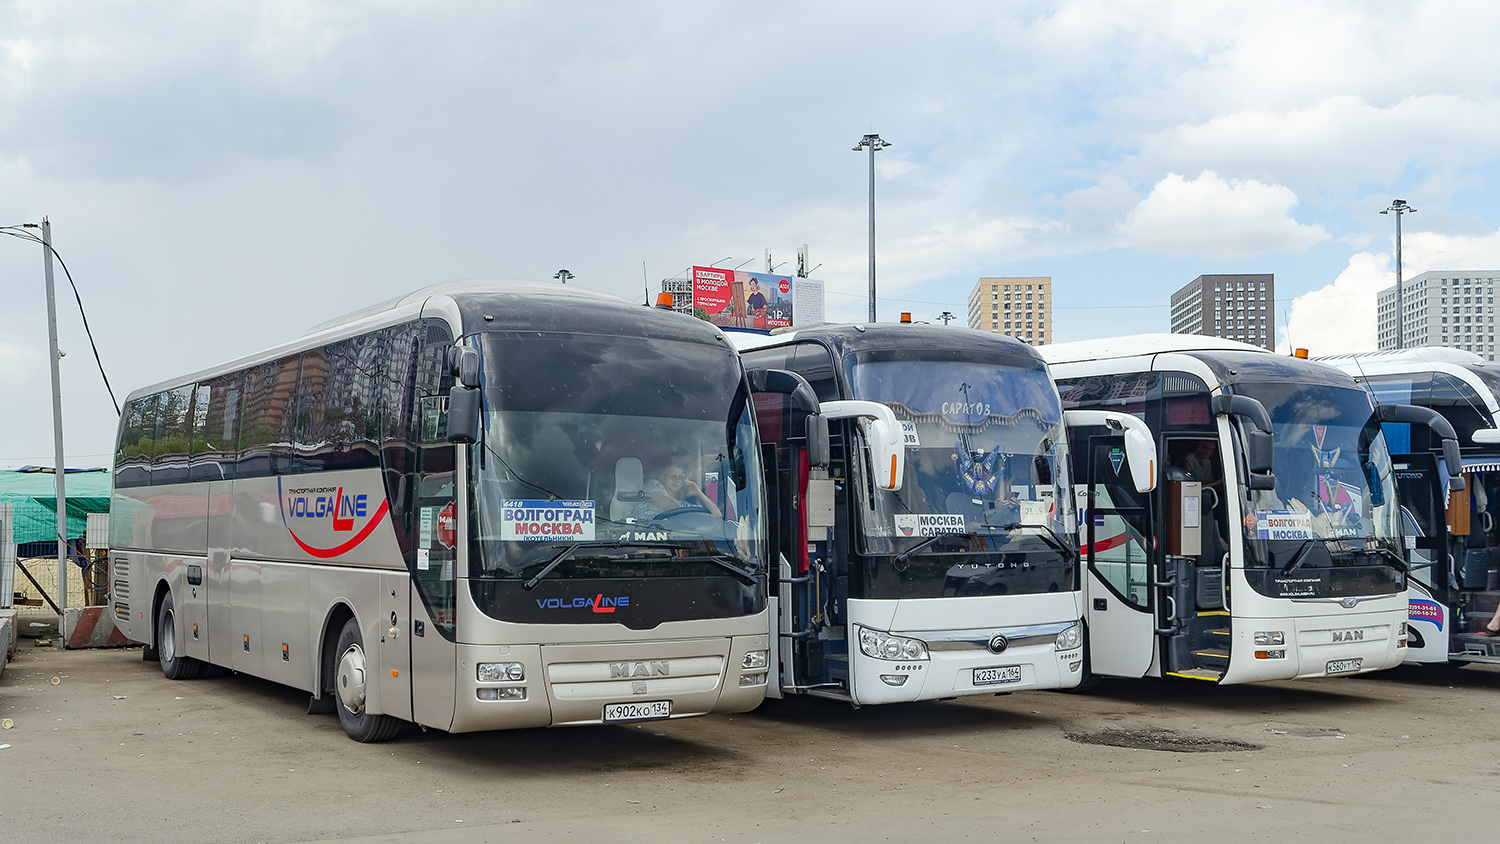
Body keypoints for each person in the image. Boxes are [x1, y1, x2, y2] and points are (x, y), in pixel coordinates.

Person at [635, 461, 722, 520]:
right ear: (662, 477)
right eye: (673, 477)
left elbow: (717, 514)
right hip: (641, 537)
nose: (677, 480)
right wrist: (690, 519)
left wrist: (698, 492)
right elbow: (667, 504)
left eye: (681, 477)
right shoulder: (652, 485)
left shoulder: (683, 505)